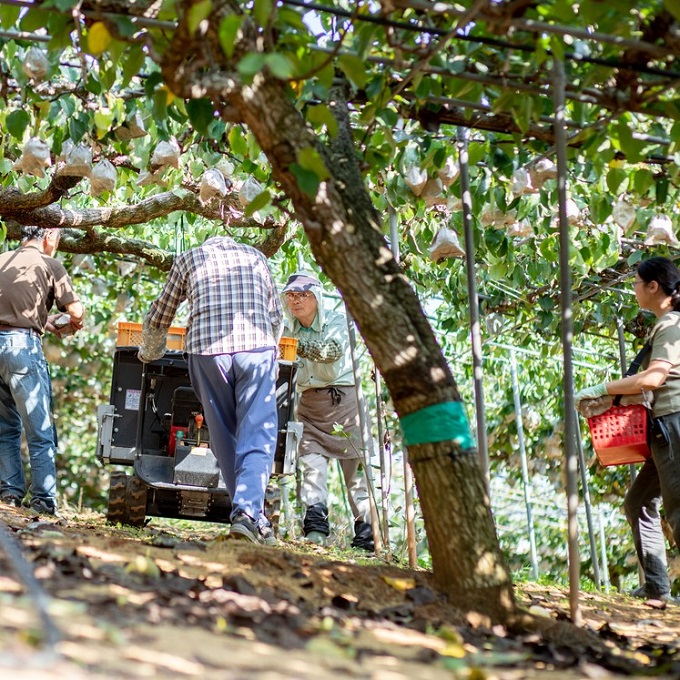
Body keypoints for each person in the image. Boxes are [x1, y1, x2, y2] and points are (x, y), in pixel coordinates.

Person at [138, 234, 283, 546]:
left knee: (224, 437)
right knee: (257, 433)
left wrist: (148, 353)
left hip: (208, 351)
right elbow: (275, 317)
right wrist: (273, 353)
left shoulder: (189, 258)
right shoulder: (256, 256)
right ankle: (250, 516)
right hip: (256, 348)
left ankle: (250, 516)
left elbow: (160, 315)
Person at [575, 256, 680, 603]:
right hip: (664, 427)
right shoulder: (663, 325)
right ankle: (656, 587)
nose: (634, 289)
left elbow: (653, 378)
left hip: (674, 424)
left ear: (654, 287)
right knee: (638, 503)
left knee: (677, 508)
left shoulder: (670, 325)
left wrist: (604, 389)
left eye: (637, 283)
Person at [282, 271, 374, 551]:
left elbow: (331, 351)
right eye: (291, 296)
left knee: (356, 475)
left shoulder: (335, 320)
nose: (296, 301)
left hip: (345, 404)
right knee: (311, 469)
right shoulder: (287, 330)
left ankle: (367, 537)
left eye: (303, 294)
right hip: (309, 406)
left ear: (317, 297)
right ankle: (316, 532)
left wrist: (295, 347)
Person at [0, 226, 84, 515]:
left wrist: (46, 322)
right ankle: (44, 501)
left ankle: (10, 494)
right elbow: (76, 311)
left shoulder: (2, 260)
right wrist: (74, 321)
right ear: (49, 235)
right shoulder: (50, 265)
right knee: (39, 430)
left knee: (5, 428)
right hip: (22, 348)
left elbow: (16, 308)